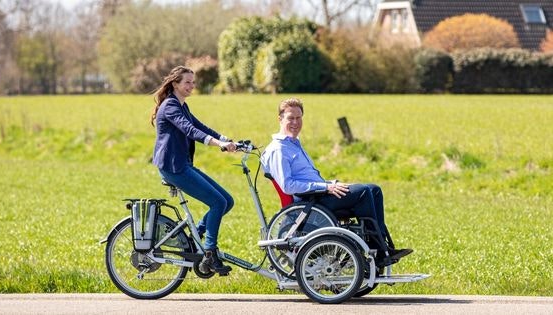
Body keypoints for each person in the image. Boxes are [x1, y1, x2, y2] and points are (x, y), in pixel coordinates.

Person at [260, 97, 413, 266]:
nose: (295, 122)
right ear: (280, 119)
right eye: (291, 118)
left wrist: (330, 183)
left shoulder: (294, 144)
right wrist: (326, 187)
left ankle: (382, 247)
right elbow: (288, 186)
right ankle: (375, 249)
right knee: (363, 192)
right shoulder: (278, 149)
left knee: (374, 189)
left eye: (299, 118)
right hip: (308, 205)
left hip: (317, 196)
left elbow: (306, 178)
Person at [151, 66, 235, 275]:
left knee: (227, 201)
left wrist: (226, 139)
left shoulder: (182, 105)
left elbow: (200, 126)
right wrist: (217, 144)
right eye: (187, 82)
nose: (191, 86)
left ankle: (195, 235)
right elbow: (189, 130)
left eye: (193, 82)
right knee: (217, 203)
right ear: (175, 84)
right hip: (173, 168)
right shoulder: (170, 106)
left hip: (183, 164)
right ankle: (209, 252)